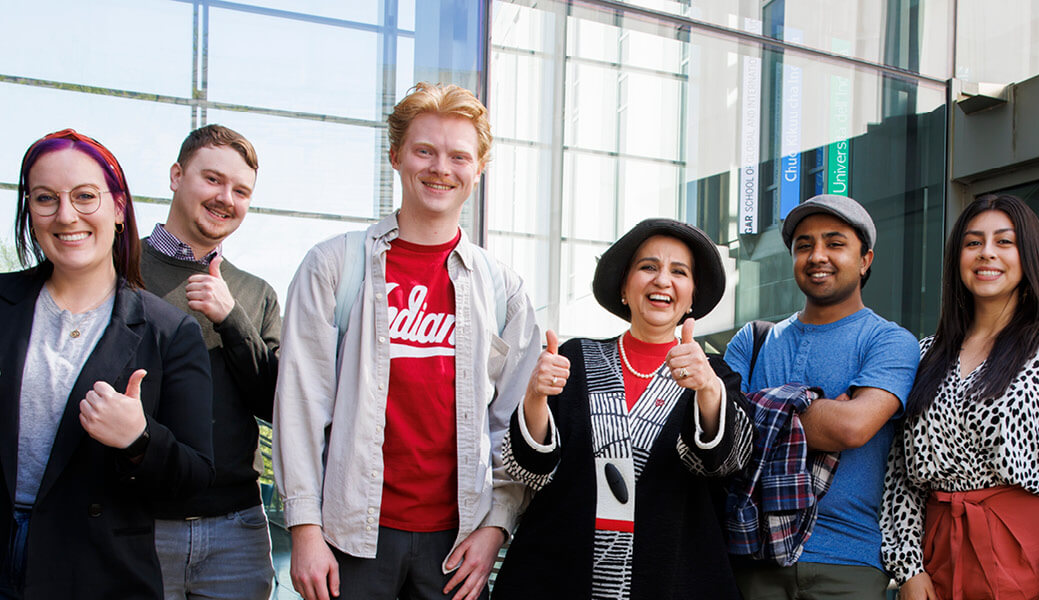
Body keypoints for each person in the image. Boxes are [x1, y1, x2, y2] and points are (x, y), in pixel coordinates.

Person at [0, 128, 215, 599]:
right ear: (30, 211)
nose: (66, 215)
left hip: (90, 572)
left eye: (85, 196)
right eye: (45, 198)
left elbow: (195, 480)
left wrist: (140, 439)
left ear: (118, 208)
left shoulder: (170, 331)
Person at [274, 82, 539, 600]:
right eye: (425, 150)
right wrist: (304, 529)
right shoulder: (334, 266)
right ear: (396, 156)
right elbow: (302, 405)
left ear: (478, 169)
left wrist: (495, 528)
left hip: (457, 544)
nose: (441, 167)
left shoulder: (502, 288)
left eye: (459, 156)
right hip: (350, 539)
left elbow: (514, 422)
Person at [493, 218, 752, 599]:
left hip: (673, 578)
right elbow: (529, 470)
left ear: (692, 295)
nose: (662, 280)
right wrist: (535, 395)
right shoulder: (573, 359)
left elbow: (726, 463)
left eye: (678, 271)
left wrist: (708, 388)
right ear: (624, 288)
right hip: (558, 574)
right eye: (648, 267)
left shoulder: (715, 376)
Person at [883, 194, 1039, 600]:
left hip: (1030, 559)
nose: (987, 253)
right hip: (937, 560)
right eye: (973, 242)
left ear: (1030, 257)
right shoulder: (925, 354)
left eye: (1004, 242)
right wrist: (909, 569)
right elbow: (900, 473)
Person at [726, 194, 921, 600]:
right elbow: (728, 433)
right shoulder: (754, 340)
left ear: (865, 259)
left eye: (835, 243)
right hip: (754, 557)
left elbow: (852, 428)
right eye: (804, 245)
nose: (817, 256)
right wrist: (824, 411)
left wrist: (760, 406)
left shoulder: (889, 342)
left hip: (849, 561)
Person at [142, 124, 282, 600]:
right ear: (177, 175)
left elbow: (274, 401)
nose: (226, 198)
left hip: (235, 532)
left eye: (241, 191)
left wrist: (231, 318)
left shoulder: (255, 293)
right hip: (135, 522)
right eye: (213, 180)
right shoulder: (118, 270)